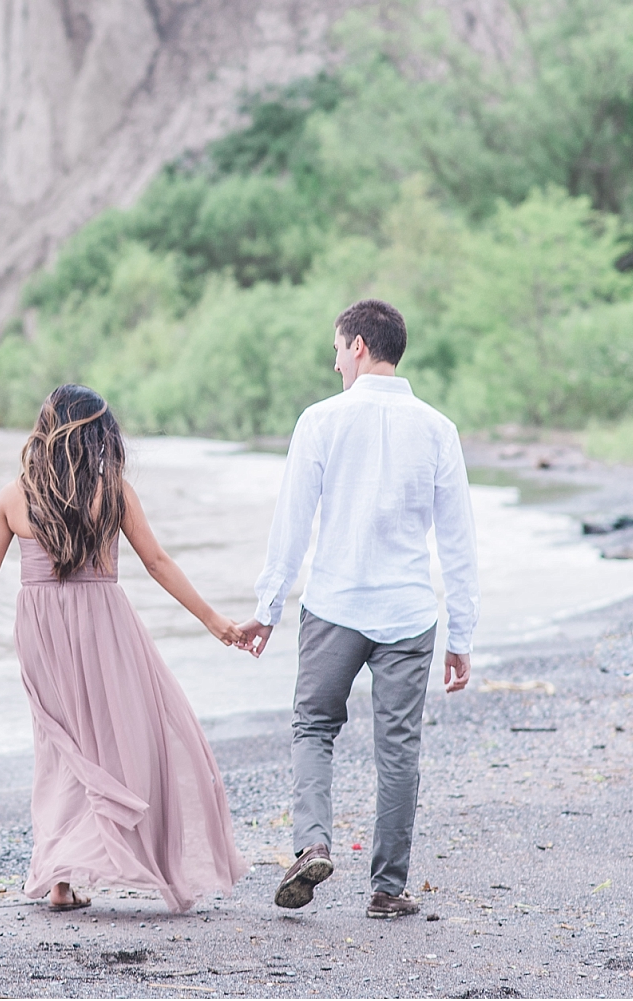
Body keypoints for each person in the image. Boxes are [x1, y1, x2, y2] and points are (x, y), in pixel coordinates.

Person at [0, 384, 250, 913]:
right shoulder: (114, 491)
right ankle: (120, 854)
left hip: (41, 632)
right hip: (104, 626)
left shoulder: (15, 495)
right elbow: (157, 562)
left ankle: (60, 878)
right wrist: (212, 619)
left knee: (60, 747)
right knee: (123, 736)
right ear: (98, 433)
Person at [234, 299, 479, 919]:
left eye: (338, 348)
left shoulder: (320, 420)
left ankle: (311, 843)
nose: (335, 359)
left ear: (360, 346)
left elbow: (292, 521)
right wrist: (462, 632)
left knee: (314, 728)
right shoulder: (438, 429)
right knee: (399, 749)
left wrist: (268, 607)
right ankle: (388, 889)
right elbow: (458, 540)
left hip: (335, 604)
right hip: (408, 612)